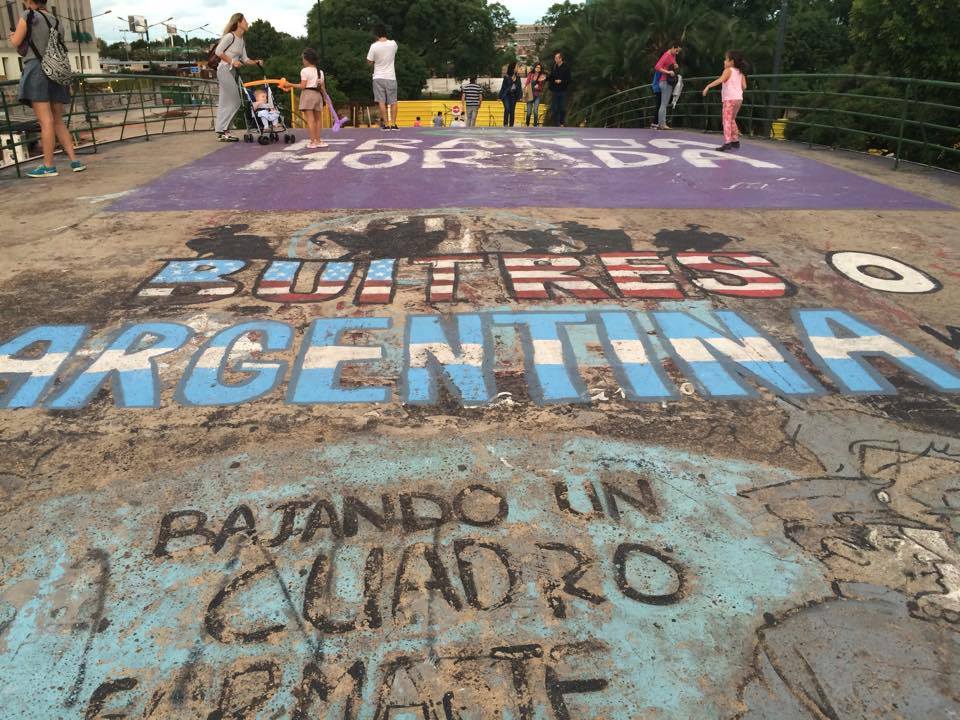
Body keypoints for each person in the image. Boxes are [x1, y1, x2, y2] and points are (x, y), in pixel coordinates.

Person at [7, 0, 85, 177]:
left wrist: (12, 37)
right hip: (56, 71)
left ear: (29, 1)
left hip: (37, 69)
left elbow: (16, 42)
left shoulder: (28, 15)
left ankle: (48, 166)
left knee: (45, 121)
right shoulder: (56, 20)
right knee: (57, 120)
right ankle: (75, 161)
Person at [213, 14, 263, 142]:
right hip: (224, 70)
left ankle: (222, 131)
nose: (247, 23)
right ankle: (224, 130)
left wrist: (256, 62)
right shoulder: (230, 37)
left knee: (225, 101)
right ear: (239, 23)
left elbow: (245, 59)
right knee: (236, 101)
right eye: (245, 21)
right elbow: (218, 52)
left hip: (232, 72)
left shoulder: (241, 40)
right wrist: (232, 61)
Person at [702, 50, 749, 151]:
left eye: (726, 59)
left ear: (731, 61)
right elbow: (744, 87)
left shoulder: (728, 70)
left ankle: (728, 142)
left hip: (729, 99)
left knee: (726, 120)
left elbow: (720, 80)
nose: (724, 61)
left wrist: (708, 86)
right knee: (732, 119)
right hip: (738, 99)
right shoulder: (740, 72)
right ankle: (735, 141)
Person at [285, 48, 327, 149]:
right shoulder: (320, 72)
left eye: (303, 59)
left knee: (310, 119)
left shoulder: (304, 71)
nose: (302, 61)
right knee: (318, 119)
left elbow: (303, 86)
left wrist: (290, 84)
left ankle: (312, 141)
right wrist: (325, 98)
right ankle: (318, 140)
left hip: (308, 94)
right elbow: (322, 87)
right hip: (318, 95)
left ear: (307, 60)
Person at [366, 24, 399, 131]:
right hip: (391, 76)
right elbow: (393, 53)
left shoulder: (374, 46)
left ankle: (386, 124)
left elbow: (369, 62)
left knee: (381, 101)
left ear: (376, 34)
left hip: (378, 76)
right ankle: (393, 124)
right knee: (393, 101)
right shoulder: (393, 44)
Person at [654, 42, 682, 130]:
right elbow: (657, 67)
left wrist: (675, 66)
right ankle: (662, 124)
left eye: (679, 52)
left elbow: (672, 65)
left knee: (664, 104)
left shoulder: (673, 56)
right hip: (665, 82)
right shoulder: (666, 55)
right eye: (676, 51)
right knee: (663, 104)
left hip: (668, 82)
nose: (677, 53)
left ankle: (662, 123)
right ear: (673, 47)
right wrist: (668, 72)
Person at [547, 52, 571, 127]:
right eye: (555, 58)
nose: (555, 59)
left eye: (556, 58)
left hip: (563, 90)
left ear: (560, 59)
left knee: (562, 108)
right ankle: (556, 123)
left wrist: (561, 81)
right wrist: (546, 78)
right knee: (555, 108)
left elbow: (569, 79)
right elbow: (551, 77)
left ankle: (561, 122)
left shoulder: (566, 67)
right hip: (555, 90)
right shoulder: (554, 66)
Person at [499, 62, 522, 127]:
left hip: (513, 95)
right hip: (506, 95)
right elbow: (503, 87)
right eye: (517, 67)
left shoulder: (518, 77)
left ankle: (511, 125)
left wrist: (520, 96)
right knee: (507, 108)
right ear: (513, 68)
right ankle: (505, 124)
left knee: (512, 111)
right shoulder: (506, 77)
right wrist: (499, 97)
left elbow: (519, 87)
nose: (518, 68)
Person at [523, 62, 546, 127]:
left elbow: (542, 87)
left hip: (537, 95)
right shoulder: (530, 74)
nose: (538, 68)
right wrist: (526, 89)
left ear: (540, 69)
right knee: (529, 112)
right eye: (537, 67)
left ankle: (535, 126)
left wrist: (538, 87)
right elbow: (527, 83)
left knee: (535, 111)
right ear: (535, 67)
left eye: (539, 68)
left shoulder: (542, 76)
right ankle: (527, 124)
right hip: (530, 94)